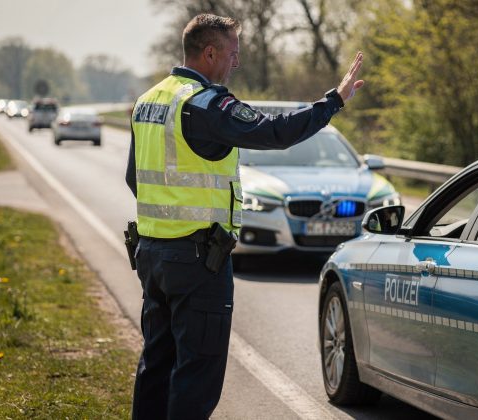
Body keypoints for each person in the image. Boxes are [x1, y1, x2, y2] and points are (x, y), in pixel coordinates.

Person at [124, 13, 364, 420]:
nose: (236, 62)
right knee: (196, 376)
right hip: (197, 260)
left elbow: (134, 179)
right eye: (232, 53)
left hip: (152, 254)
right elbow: (275, 132)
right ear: (210, 53)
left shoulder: (148, 101)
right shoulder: (206, 104)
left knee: (157, 364)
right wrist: (334, 102)